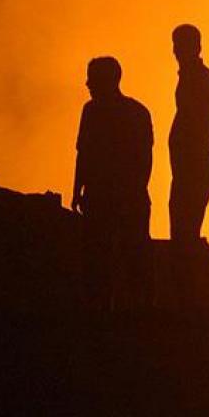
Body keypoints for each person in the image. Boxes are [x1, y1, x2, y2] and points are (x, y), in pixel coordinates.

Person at [72, 56, 154, 310]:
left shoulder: (132, 113)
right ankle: (105, 315)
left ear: (109, 80)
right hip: (106, 197)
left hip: (119, 197)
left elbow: (143, 160)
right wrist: (77, 190)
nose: (87, 83)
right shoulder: (96, 111)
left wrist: (132, 193)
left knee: (130, 258)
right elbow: (83, 153)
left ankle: (132, 314)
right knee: (99, 260)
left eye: (93, 78)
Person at [168, 23, 209, 245]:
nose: (176, 51)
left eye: (180, 45)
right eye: (175, 45)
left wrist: (205, 121)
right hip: (186, 166)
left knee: (184, 232)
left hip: (196, 165)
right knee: (182, 228)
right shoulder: (188, 75)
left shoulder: (198, 74)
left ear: (195, 47)